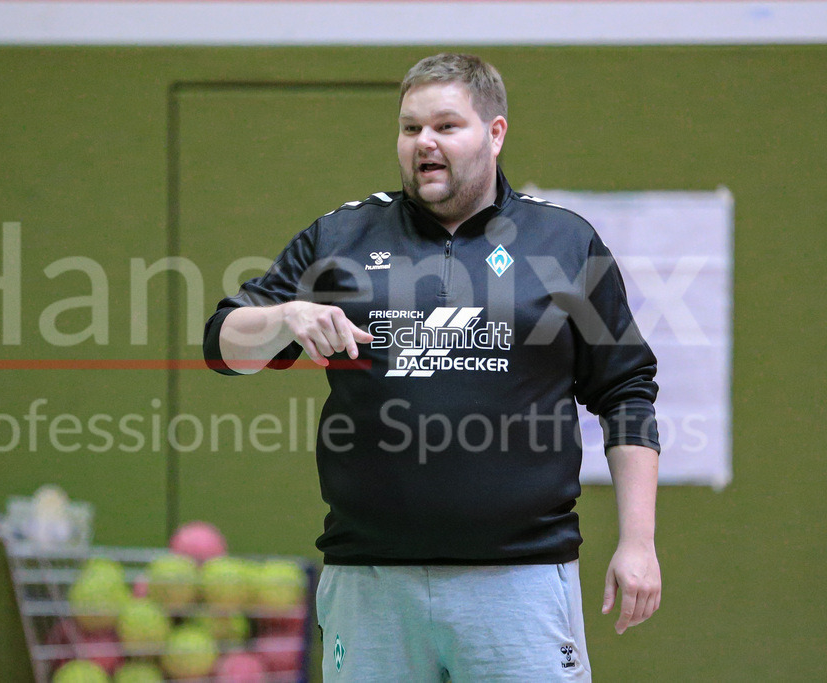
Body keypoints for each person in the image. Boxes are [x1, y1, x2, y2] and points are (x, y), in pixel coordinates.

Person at [204, 53, 661, 680]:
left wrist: (639, 542)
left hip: (520, 582)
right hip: (370, 582)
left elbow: (627, 393)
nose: (425, 142)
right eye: (410, 127)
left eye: (446, 126)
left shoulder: (564, 242)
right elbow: (223, 346)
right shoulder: (342, 238)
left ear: (495, 134)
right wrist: (286, 317)